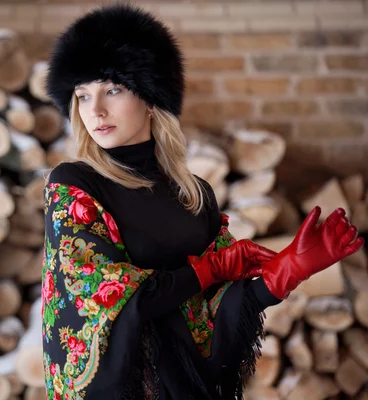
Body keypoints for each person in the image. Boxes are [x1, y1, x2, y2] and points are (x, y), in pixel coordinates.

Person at [40, 3, 365, 400]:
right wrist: (207, 269)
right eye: (82, 95)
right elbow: (104, 297)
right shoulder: (74, 185)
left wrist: (283, 274)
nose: (96, 110)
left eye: (112, 89)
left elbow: (212, 318)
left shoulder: (194, 194)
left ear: (150, 96)